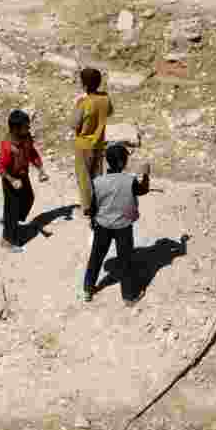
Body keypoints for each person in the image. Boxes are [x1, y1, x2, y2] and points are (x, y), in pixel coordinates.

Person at [82, 143, 150, 304]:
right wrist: (146, 175)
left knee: (96, 257)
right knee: (125, 261)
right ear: (121, 163)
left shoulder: (98, 181)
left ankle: (88, 289)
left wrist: (92, 220)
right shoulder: (129, 181)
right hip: (123, 226)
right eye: (125, 159)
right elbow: (143, 190)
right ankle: (128, 296)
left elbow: (93, 206)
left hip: (103, 226)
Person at [0, 109, 48, 252]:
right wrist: (12, 180)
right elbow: (0, 167)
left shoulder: (26, 138)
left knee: (29, 198)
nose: (29, 128)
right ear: (16, 128)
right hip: (11, 179)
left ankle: (9, 222)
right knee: (12, 208)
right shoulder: (8, 147)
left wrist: (40, 169)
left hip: (23, 175)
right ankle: (7, 240)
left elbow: (32, 153)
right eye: (26, 126)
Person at [72, 67, 113, 217]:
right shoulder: (105, 98)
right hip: (99, 143)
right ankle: (99, 202)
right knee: (97, 174)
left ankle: (88, 208)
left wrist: (77, 103)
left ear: (85, 85)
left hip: (83, 144)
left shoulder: (83, 103)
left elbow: (74, 124)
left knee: (84, 177)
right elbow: (110, 112)